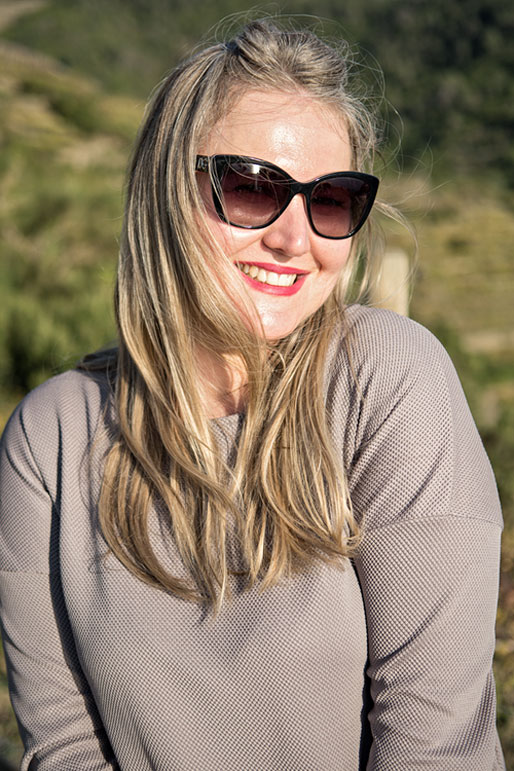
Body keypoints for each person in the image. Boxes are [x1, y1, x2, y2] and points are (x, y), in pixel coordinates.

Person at [0, 17, 505, 771]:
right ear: (167, 192)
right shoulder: (51, 437)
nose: (294, 238)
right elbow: (67, 750)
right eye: (251, 188)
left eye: (331, 200)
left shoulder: (388, 380)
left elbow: (433, 748)